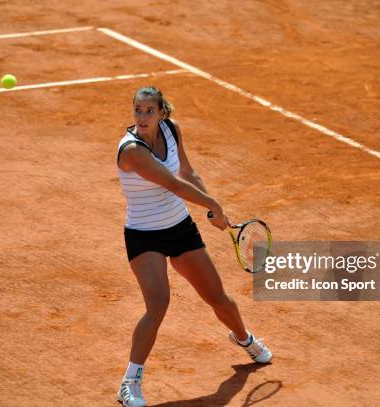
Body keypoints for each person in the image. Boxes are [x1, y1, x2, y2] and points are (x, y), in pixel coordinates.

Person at [116, 86, 272, 407]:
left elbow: (187, 172)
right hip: (144, 236)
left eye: (149, 111)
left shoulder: (172, 131)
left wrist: (215, 209)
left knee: (219, 298)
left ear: (161, 113)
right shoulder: (131, 150)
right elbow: (171, 183)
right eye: (137, 111)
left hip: (180, 229)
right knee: (158, 303)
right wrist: (211, 202)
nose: (142, 117)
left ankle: (244, 338)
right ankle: (130, 382)